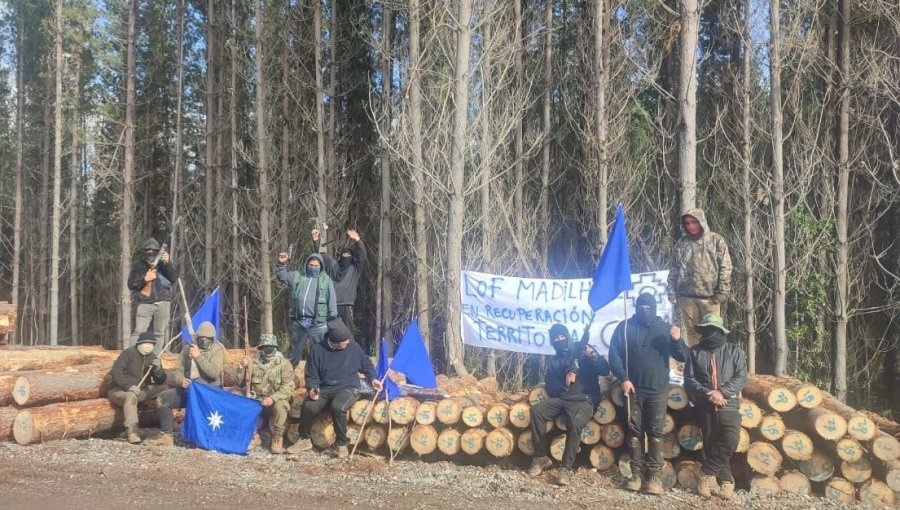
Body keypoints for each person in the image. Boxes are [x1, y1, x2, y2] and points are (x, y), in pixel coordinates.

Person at [608, 292, 687, 495]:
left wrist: (677, 340)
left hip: (658, 390)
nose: (645, 310)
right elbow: (614, 354)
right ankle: (635, 475)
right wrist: (623, 378)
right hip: (633, 389)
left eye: (648, 307)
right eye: (641, 306)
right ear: (636, 307)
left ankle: (653, 478)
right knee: (634, 432)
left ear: (654, 308)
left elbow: (682, 356)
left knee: (655, 433)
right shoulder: (625, 327)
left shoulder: (664, 329)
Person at [527, 324, 610, 486]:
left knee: (575, 422)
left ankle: (566, 468)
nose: (560, 340)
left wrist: (593, 355)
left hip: (584, 400)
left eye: (562, 336)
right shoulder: (554, 361)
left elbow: (605, 370)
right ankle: (540, 458)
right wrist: (565, 383)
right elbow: (550, 386)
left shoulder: (584, 350)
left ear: (568, 336)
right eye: (556, 338)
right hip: (563, 399)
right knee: (537, 410)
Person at [287, 319, 382, 458]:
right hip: (325, 388)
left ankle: (342, 444)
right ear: (335, 342)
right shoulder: (318, 350)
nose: (348, 342)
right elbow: (311, 375)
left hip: (348, 386)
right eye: (345, 341)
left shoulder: (353, 347)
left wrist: (373, 378)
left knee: (338, 406)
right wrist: (312, 389)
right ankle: (304, 440)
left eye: (348, 339)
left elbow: (366, 364)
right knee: (308, 406)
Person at [683, 313, 747, 500]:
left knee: (730, 439)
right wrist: (708, 394)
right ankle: (726, 482)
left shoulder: (734, 351)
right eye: (706, 330)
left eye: (713, 330)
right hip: (705, 404)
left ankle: (705, 473)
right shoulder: (695, 352)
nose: (709, 333)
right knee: (711, 444)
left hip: (729, 403)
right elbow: (689, 379)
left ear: (720, 331)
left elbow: (741, 377)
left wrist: (722, 392)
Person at [149, 321, 225, 446]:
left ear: (212, 338)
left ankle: (201, 438)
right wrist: (181, 380)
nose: (203, 341)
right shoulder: (187, 349)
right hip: (189, 389)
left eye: (207, 339)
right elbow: (178, 370)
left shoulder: (218, 349)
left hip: (209, 392)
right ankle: (166, 436)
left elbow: (214, 373)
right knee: (163, 398)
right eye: (201, 338)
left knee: (201, 411)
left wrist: (198, 357)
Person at [666, 208, 732, 346]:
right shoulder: (681, 244)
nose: (690, 226)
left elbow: (726, 268)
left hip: (711, 299)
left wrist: (721, 294)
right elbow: (674, 269)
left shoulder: (716, 241)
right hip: (687, 298)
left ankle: (713, 365)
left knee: (713, 335)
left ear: (701, 222)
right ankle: (696, 364)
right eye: (687, 223)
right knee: (692, 335)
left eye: (694, 222)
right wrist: (671, 291)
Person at [276, 251, 338, 366]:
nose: (313, 268)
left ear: (321, 267)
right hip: (299, 322)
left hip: (318, 323)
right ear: (307, 264)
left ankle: (323, 381)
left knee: (321, 354)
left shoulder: (326, 280)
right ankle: (288, 379)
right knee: (294, 354)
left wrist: (332, 316)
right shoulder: (298, 276)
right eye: (311, 265)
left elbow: (332, 299)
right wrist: (281, 264)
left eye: (316, 266)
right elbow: (282, 277)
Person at [238, 334, 295, 454]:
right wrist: (242, 366)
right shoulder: (253, 363)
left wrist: (272, 399)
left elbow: (287, 388)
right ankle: (254, 436)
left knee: (281, 406)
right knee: (243, 403)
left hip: (275, 401)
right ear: (260, 348)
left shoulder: (284, 364)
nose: (268, 351)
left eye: (271, 347)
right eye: (265, 348)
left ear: (276, 348)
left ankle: (277, 438)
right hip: (257, 400)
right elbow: (240, 382)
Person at [312, 228, 368, 352]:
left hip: (347, 305)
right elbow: (322, 257)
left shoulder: (355, 269)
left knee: (348, 332)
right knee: (331, 331)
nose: (346, 257)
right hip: (332, 306)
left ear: (352, 257)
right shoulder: (334, 266)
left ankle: (350, 355)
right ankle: (330, 354)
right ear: (340, 256)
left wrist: (358, 240)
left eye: (348, 255)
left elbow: (362, 255)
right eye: (344, 255)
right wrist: (316, 240)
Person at [108, 331, 168, 444]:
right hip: (120, 391)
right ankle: (132, 431)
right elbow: (116, 372)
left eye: (151, 343)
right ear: (139, 343)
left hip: (141, 391)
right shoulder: (128, 354)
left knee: (165, 389)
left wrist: (158, 370)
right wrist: (128, 386)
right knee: (131, 396)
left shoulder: (153, 357)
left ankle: (165, 422)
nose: (148, 346)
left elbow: (160, 380)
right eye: (145, 343)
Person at [127, 238, 178, 351]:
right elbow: (131, 284)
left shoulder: (163, 264)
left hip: (163, 302)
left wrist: (167, 262)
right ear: (144, 250)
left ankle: (154, 360)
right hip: (145, 303)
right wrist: (145, 279)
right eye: (148, 249)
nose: (150, 251)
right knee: (138, 332)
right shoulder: (138, 265)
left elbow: (173, 278)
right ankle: (130, 357)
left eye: (153, 249)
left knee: (159, 334)